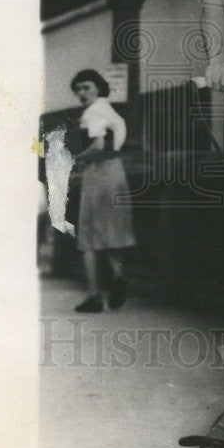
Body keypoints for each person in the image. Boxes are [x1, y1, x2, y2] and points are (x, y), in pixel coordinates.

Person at [71, 69, 135, 313]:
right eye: (77, 89)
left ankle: (94, 296)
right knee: (109, 232)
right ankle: (119, 275)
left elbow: (98, 145)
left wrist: (75, 159)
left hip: (99, 174)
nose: (81, 93)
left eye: (86, 87)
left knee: (88, 237)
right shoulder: (108, 109)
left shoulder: (93, 111)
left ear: (98, 87)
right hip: (115, 171)